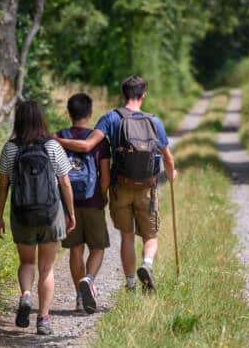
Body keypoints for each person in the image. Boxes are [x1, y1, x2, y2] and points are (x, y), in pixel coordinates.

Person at [55, 75, 177, 292]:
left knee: (127, 235)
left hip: (120, 187)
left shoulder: (110, 118)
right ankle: (147, 264)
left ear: (123, 94)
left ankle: (130, 283)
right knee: (150, 235)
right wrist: (171, 173)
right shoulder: (154, 121)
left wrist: (58, 140)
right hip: (146, 188)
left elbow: (87, 145)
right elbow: (167, 157)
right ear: (143, 95)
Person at [0, 100, 76, 336]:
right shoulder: (52, 146)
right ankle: (43, 319)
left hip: (22, 215)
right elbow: (65, 182)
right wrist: (71, 213)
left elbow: (3, 185)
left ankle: (26, 296)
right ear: (41, 119)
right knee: (47, 268)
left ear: (19, 120)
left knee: (27, 262)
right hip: (51, 214)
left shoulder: (11, 148)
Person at [57, 93, 111, 314]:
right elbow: (105, 176)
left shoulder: (59, 136)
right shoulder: (98, 140)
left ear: (69, 113)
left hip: (67, 201)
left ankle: (80, 298)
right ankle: (88, 279)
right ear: (90, 113)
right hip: (93, 199)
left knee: (75, 249)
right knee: (98, 247)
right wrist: (102, 194)